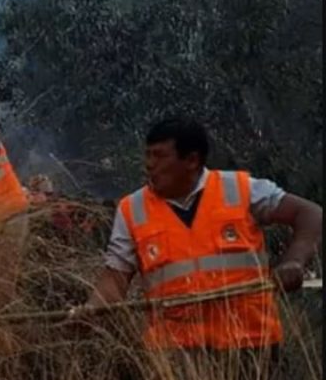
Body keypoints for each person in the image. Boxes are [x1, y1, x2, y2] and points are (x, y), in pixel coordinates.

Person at [85, 118, 321, 350]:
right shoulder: (131, 209)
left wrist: (294, 262)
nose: (149, 164)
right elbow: (115, 279)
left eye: (159, 155)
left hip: (252, 346)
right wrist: (89, 312)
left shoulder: (241, 190)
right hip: (176, 356)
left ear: (192, 160)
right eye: (147, 154)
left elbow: (310, 214)